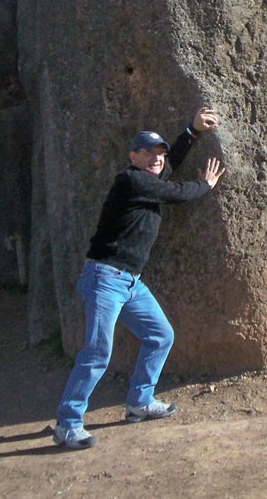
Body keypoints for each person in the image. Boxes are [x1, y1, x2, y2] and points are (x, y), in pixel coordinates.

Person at [53, 107, 225, 450]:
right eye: (148, 152)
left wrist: (191, 132)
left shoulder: (148, 179)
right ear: (133, 156)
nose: (156, 158)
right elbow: (174, 193)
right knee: (97, 352)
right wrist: (204, 185)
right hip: (105, 277)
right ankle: (67, 424)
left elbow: (170, 164)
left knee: (160, 335)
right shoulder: (130, 181)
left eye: (158, 153)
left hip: (130, 282)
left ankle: (139, 402)